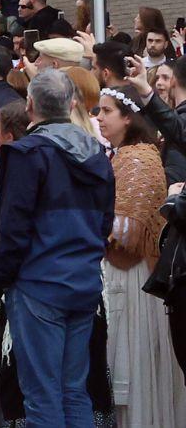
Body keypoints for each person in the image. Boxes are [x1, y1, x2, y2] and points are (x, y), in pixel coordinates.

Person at [0, 69, 114, 427]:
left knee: (42, 394)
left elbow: (12, 227)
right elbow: (104, 222)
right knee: (74, 389)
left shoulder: (27, 153)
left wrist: (2, 279)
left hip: (39, 283)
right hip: (83, 280)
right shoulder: (96, 152)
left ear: (29, 106)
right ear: (72, 103)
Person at [94, 84, 186, 424]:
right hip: (120, 271)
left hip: (132, 274)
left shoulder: (138, 157)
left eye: (106, 111)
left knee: (134, 369)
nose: (99, 118)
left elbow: (126, 232)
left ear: (128, 118)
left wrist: (83, 222)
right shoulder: (125, 154)